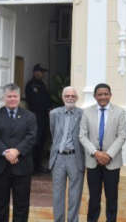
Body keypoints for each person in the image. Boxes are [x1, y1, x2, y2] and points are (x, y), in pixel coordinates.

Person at [0, 83, 37, 222]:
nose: (12, 99)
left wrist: (17, 151)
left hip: (22, 166)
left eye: (15, 96)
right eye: (9, 96)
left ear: (19, 98)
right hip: (0, 166)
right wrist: (6, 152)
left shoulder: (30, 116)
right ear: (4, 98)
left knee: (21, 205)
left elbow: (31, 136)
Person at [78, 83, 126, 222]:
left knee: (111, 197)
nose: (103, 97)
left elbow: (122, 136)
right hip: (93, 161)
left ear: (110, 95)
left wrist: (108, 155)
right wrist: (96, 153)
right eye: (100, 94)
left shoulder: (119, 112)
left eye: (106, 94)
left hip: (112, 161)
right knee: (94, 197)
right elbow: (82, 135)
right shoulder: (86, 112)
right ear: (95, 96)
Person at [49, 87, 85, 222]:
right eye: (67, 96)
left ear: (77, 98)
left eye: (73, 96)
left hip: (75, 157)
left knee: (74, 194)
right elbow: (54, 134)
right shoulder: (54, 114)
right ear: (63, 97)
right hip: (58, 157)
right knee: (58, 194)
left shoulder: (82, 114)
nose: (70, 98)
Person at [25, 63, 52, 175]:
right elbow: (37, 102)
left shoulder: (41, 84)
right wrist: (47, 108)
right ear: (35, 72)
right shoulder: (32, 85)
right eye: (42, 72)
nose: (43, 74)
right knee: (36, 142)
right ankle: (32, 168)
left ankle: (38, 165)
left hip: (43, 115)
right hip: (37, 115)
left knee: (41, 141)